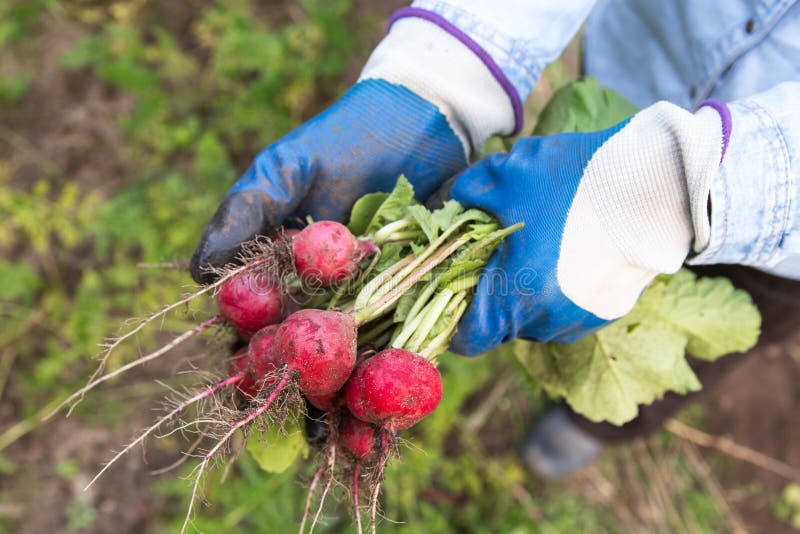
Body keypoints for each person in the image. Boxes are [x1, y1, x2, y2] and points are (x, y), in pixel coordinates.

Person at [190, 1, 800, 478]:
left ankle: (593, 429)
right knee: (563, 208)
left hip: (778, 237)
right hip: (644, 62)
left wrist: (665, 190)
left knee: (696, 347)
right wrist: (453, 65)